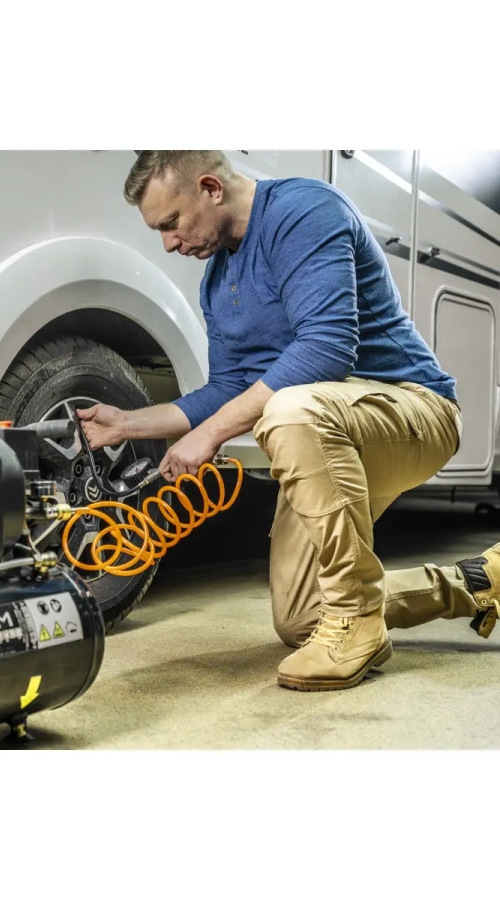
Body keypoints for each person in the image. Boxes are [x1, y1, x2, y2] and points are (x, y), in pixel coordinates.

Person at [77, 150, 499, 692]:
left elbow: (326, 348)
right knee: (302, 618)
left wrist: (210, 434)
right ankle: (477, 582)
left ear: (210, 188)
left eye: (171, 222)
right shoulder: (216, 282)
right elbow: (228, 389)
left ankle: (357, 621)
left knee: (289, 409)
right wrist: (126, 424)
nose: (169, 243)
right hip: (330, 427)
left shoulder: (303, 211)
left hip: (414, 409)